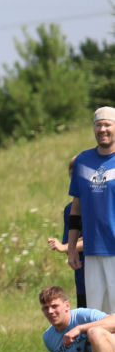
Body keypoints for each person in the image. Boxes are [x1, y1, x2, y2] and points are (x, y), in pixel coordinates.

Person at [68, 107, 115, 314]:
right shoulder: (82, 161)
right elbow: (76, 208)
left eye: (107, 125)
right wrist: (71, 248)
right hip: (92, 249)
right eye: (98, 125)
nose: (102, 129)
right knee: (96, 315)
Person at [49, 157, 85, 307]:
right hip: (82, 277)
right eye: (72, 176)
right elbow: (70, 244)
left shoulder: (101, 204)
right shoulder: (69, 210)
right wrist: (67, 248)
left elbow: (97, 239)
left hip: (106, 273)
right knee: (87, 316)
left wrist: (65, 247)